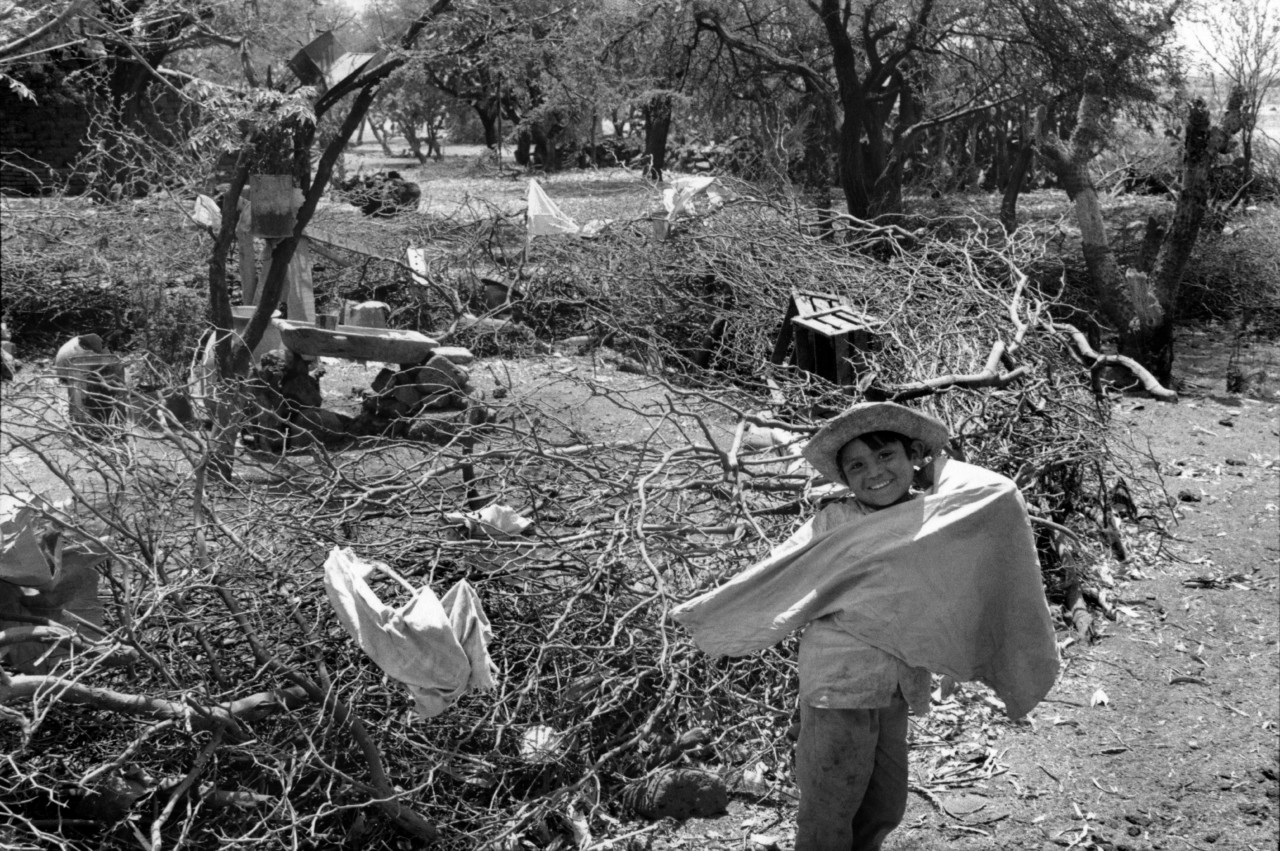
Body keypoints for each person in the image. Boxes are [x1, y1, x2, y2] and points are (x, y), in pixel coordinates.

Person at [672, 401, 1059, 851]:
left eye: (885, 455)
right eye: (856, 465)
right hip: (839, 686)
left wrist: (938, 468)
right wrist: (711, 610)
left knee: (884, 807)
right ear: (845, 478)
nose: (874, 471)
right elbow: (779, 576)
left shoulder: (938, 517)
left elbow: (998, 493)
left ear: (913, 455)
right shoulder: (835, 522)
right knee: (831, 810)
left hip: (897, 687)